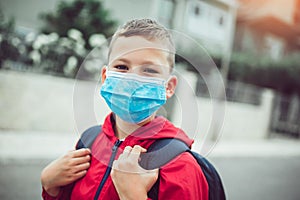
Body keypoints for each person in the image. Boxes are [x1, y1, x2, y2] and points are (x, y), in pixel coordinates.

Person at [41, 18, 209, 200]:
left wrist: (133, 195)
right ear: (105, 77)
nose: (132, 80)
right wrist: (51, 187)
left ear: (168, 87)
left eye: (149, 70)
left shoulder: (180, 165)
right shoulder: (88, 142)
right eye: (122, 67)